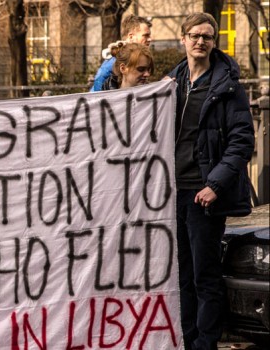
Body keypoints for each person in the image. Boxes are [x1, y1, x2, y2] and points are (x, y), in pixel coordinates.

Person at [168, 13, 254, 350]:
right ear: (183, 39)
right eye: (194, 35)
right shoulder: (172, 83)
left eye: (207, 36)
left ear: (214, 42)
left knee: (205, 276)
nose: (200, 41)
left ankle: (205, 343)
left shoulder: (228, 86)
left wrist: (214, 185)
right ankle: (187, 340)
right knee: (182, 277)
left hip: (204, 195)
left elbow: (242, 141)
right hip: (173, 193)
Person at [90, 14, 152, 92]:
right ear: (131, 37)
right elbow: (98, 83)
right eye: (146, 35)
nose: (150, 39)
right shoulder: (119, 57)